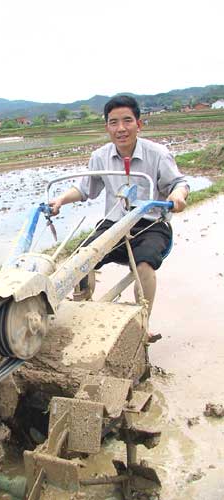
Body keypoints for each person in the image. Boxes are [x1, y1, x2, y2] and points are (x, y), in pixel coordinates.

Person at [49, 95, 189, 339]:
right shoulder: (100, 156)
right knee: (83, 259)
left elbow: (179, 183)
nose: (121, 128)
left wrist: (177, 195)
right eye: (114, 122)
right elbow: (85, 189)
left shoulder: (158, 154)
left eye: (127, 121)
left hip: (151, 223)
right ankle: (81, 311)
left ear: (139, 124)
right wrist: (60, 199)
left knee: (144, 264)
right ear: (107, 127)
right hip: (114, 224)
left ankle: (142, 326)